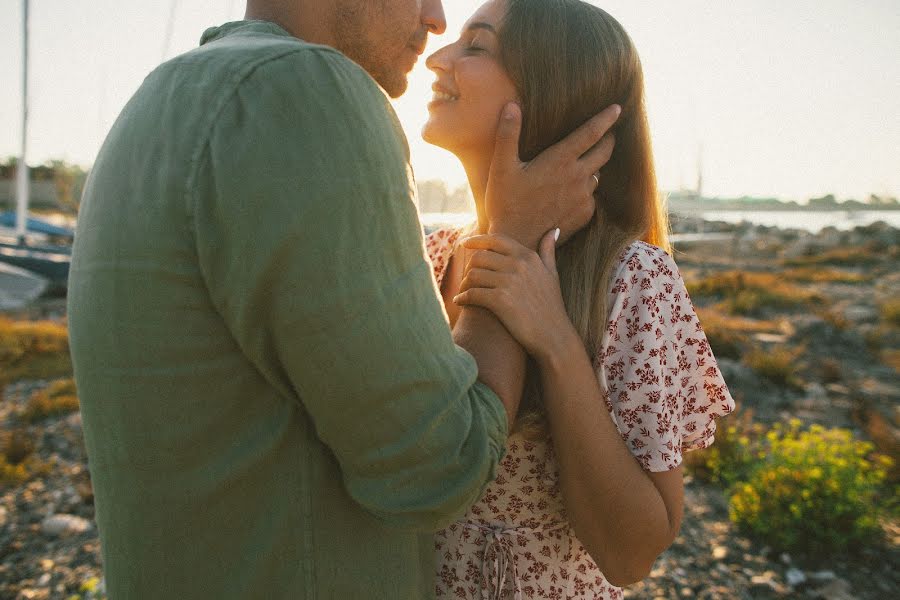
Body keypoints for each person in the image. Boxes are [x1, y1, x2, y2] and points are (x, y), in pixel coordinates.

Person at [67, 0, 620, 597]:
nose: (436, 20)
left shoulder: (156, 100)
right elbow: (440, 467)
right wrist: (510, 238)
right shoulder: (309, 89)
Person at [421, 1, 736, 597]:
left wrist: (558, 344)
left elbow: (630, 556)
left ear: (552, 90)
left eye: (477, 46)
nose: (438, 58)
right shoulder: (430, 258)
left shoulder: (630, 279)